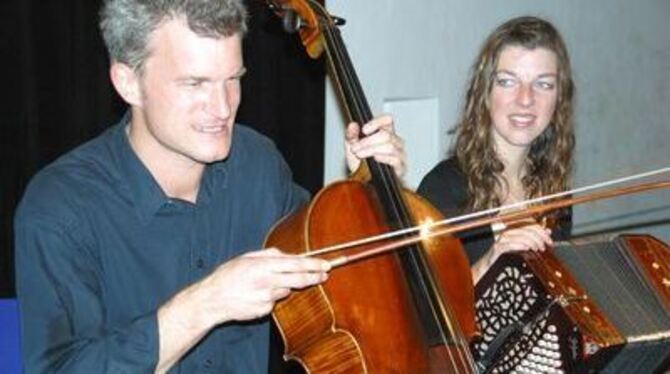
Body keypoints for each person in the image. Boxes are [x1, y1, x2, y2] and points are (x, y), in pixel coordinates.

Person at [14, 0, 406, 372]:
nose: (223, 108)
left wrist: (367, 189)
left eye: (232, 79)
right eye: (195, 83)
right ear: (128, 83)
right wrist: (207, 303)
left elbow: (339, 271)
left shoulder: (258, 163)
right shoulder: (59, 207)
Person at [418, 16, 575, 284]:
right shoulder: (443, 188)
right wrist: (492, 260)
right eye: (507, 81)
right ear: (485, 94)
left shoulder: (555, 191)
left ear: (559, 99)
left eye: (543, 84)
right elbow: (427, 310)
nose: (526, 99)